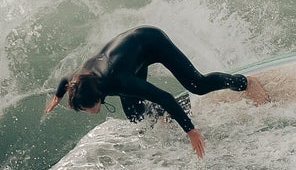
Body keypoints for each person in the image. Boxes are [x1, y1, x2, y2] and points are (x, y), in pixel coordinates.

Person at [45, 25, 269, 158]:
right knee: (135, 116)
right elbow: (67, 79)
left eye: (86, 107)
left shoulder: (119, 82)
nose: (86, 111)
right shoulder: (82, 81)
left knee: (196, 85)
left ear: (97, 97)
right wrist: (57, 97)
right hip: (129, 58)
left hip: (150, 41)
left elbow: (164, 96)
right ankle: (165, 114)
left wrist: (191, 131)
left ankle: (245, 83)